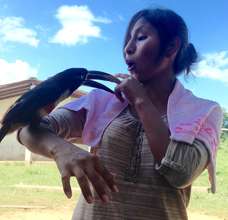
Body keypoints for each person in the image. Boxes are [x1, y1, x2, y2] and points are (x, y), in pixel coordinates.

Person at [17, 8, 223, 220]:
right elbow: (26, 131)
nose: (128, 48)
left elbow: (181, 173)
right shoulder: (102, 100)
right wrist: (61, 149)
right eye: (127, 40)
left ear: (171, 47)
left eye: (141, 37)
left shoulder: (204, 111)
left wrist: (141, 101)